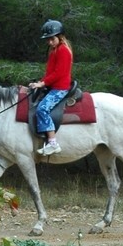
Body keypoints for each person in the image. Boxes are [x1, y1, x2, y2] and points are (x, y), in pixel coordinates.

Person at [27, 19, 73, 155]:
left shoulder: (63, 51)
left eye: (52, 39)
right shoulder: (54, 50)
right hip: (53, 86)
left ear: (60, 37)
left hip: (60, 87)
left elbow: (59, 73)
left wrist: (42, 83)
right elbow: (50, 72)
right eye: (47, 40)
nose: (49, 42)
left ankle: (53, 143)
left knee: (42, 109)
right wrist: (39, 83)